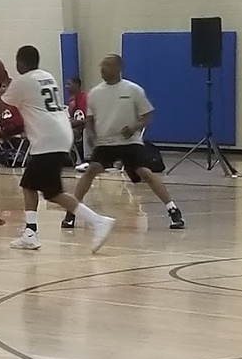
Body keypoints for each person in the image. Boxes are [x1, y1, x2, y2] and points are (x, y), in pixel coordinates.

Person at [0, 45, 115, 252]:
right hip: (59, 133)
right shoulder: (46, 76)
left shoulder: (23, 82)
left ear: (21, 62)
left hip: (48, 138)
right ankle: (30, 233)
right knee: (31, 185)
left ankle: (98, 221)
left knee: (52, 193)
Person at [67, 55, 185, 230]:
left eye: (107, 65)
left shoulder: (133, 90)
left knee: (144, 172)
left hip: (129, 142)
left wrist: (134, 127)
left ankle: (173, 209)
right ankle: (72, 213)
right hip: (106, 143)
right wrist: (91, 135)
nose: (102, 69)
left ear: (119, 67)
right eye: (101, 65)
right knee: (91, 170)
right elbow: (90, 119)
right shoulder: (95, 93)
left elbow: (147, 116)